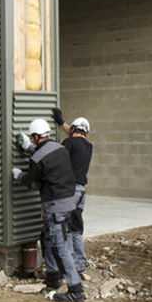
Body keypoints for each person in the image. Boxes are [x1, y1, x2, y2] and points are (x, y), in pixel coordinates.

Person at [13, 118, 85, 302]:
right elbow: (47, 159)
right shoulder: (59, 148)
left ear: (36, 136)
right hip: (69, 202)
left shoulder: (37, 158)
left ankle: (75, 290)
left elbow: (32, 183)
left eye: (32, 138)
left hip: (56, 206)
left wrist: (19, 174)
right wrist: (29, 148)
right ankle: (53, 278)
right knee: (46, 236)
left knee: (60, 247)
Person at [52, 107, 93, 275]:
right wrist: (62, 122)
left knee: (65, 229)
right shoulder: (88, 146)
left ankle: (68, 265)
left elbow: (69, 143)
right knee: (76, 228)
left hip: (69, 191)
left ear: (74, 129)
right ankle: (80, 263)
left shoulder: (68, 143)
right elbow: (76, 136)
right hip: (81, 192)